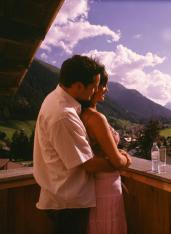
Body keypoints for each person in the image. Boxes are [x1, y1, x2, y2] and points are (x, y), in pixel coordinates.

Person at [33, 55, 114, 234]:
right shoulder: (63, 115)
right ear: (78, 86)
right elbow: (88, 164)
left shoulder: (55, 99)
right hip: (68, 202)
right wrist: (118, 161)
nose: (95, 92)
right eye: (93, 87)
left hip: (61, 197)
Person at [80, 66, 132, 234]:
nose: (106, 89)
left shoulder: (82, 114)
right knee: (108, 226)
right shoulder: (95, 118)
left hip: (94, 183)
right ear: (93, 87)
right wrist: (125, 158)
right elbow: (117, 160)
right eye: (103, 85)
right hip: (106, 183)